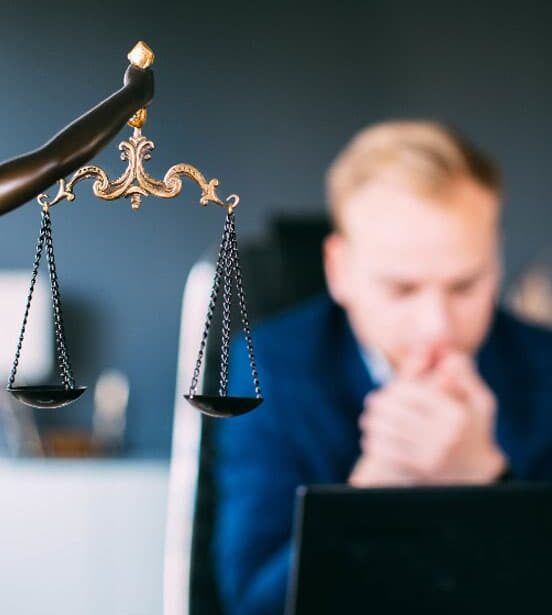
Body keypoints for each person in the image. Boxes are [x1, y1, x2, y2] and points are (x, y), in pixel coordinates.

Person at [213, 120, 552, 615]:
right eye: (401, 289)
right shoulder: (268, 367)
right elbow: (251, 603)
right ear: (340, 270)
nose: (437, 326)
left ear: (495, 260)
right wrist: (373, 490)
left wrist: (487, 479)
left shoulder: (545, 367)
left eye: (464, 286)